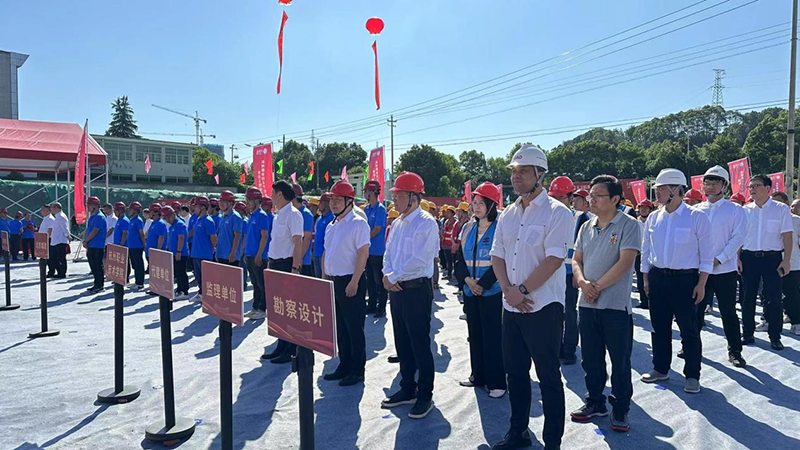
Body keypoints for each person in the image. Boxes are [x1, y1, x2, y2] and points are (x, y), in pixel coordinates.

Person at [489, 145, 572, 450]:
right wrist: (508, 291)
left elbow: (553, 260)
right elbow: (497, 254)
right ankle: (518, 433)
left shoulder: (558, 212)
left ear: (540, 174)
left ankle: (552, 442)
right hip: (511, 307)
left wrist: (521, 291)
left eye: (523, 171)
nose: (517, 176)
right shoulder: (508, 214)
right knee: (515, 374)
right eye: (514, 171)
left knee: (548, 376)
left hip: (543, 308)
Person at [570, 175, 640, 433]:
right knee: (590, 359)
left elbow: (625, 263)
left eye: (598, 196)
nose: (592, 200)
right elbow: (576, 259)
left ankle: (620, 408)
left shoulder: (629, 225)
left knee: (620, 361)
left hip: (615, 307)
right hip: (587, 305)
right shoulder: (586, 226)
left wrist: (595, 287)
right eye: (591, 195)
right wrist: (582, 282)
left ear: (615, 199)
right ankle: (595, 401)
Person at [640, 168, 712, 394]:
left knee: (689, 329)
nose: (657, 193)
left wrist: (701, 283)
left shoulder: (696, 217)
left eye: (661, 188)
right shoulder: (654, 217)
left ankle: (692, 375)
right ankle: (661, 368)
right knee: (659, 327)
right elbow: (646, 249)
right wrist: (646, 277)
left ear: (675, 189)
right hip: (658, 277)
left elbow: (706, 254)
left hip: (685, 280)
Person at [380, 171, 440, 420]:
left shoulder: (426, 223)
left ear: (414, 197)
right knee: (402, 342)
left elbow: (419, 260)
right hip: (397, 290)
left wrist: (393, 276)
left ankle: (424, 394)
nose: (394, 199)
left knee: (419, 343)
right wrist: (387, 274)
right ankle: (407, 388)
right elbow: (388, 253)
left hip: (416, 289)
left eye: (399, 195)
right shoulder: (398, 223)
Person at [694, 165, 748, 367]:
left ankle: (735, 351)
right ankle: (690, 346)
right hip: (700, 270)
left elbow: (738, 238)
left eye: (715, 182)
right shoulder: (696, 210)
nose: (710, 186)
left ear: (725, 186)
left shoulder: (735, 210)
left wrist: (720, 259)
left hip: (724, 270)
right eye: (707, 182)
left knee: (728, 312)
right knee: (696, 311)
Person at [459, 182, 507, 399]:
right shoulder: (468, 228)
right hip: (471, 291)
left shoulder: (500, 228)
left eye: (481, 203)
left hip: (492, 291)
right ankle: (477, 375)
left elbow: (502, 260)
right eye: (474, 202)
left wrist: (483, 284)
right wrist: (468, 281)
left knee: (492, 337)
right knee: (475, 335)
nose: (475, 207)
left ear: (492, 205)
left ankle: (496, 381)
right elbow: (459, 259)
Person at [321, 180, 371, 386]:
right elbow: (326, 253)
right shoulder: (332, 225)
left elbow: (363, 253)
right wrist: (324, 277)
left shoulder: (358, 223)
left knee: (354, 328)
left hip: (350, 281)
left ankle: (357, 370)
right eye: (332, 199)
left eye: (338, 199)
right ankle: (344, 364)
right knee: (340, 328)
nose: (333, 203)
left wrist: (355, 281)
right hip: (333, 281)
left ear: (349, 201)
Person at [738, 175, 793, 351]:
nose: (752, 189)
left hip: (772, 259)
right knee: (747, 298)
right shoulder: (745, 210)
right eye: (750, 186)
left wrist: (786, 260)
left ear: (768, 188)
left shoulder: (780, 209)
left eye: (756, 186)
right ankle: (747, 333)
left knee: (774, 298)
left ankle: (775, 336)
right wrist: (737, 258)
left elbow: (787, 236)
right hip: (749, 258)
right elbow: (739, 237)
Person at [262, 181, 305, 364]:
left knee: (289, 308)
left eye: (273, 193)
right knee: (278, 308)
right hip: (275, 264)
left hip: (286, 265)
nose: (271, 196)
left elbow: (298, 243)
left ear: (280, 194)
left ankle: (291, 349)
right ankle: (281, 344)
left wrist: (295, 269)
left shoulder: (294, 215)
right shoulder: (278, 215)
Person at [550, 176, 580, 366]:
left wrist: (578, 273)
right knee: (556, 313)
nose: (557, 201)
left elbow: (581, 249)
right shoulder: (549, 215)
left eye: (561, 197)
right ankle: (559, 346)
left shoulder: (578, 217)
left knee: (569, 313)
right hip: (552, 273)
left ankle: (569, 349)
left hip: (569, 274)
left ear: (570, 197)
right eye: (554, 197)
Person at [771, 192, 800, 336]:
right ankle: (769, 320)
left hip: (792, 264)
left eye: (779, 202)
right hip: (772, 263)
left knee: (791, 294)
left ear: (786, 203)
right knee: (770, 294)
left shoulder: (796, 221)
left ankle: (796, 322)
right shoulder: (770, 219)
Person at [244, 188, 272, 320]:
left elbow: (264, 236)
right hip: (250, 254)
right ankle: (255, 307)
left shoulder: (262, 215)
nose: (247, 202)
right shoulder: (252, 216)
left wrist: (259, 254)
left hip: (258, 256)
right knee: (255, 283)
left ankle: (262, 309)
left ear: (256, 201)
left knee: (262, 284)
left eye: (249, 200)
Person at [362, 180, 388, 317]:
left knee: (379, 280)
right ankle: (372, 304)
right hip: (368, 251)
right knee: (370, 280)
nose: (365, 194)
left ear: (372, 193)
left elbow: (377, 228)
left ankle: (381, 307)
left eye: (366, 191)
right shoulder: (366, 209)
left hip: (377, 250)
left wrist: (365, 239)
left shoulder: (380, 209)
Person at [190, 196, 218, 301]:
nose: (194, 208)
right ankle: (201, 293)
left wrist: (214, 250)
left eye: (196, 206)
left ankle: (207, 295)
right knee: (198, 276)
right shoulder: (199, 219)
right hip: (196, 253)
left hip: (204, 254)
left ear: (202, 207)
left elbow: (213, 237)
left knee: (206, 277)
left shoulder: (208, 221)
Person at [162, 206, 190, 300]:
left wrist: (179, 251)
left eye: (167, 218)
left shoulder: (179, 224)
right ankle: (179, 289)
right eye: (165, 218)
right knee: (177, 273)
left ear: (172, 215)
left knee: (181, 272)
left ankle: (184, 291)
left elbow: (181, 238)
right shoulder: (172, 226)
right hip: (173, 253)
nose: (167, 220)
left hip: (180, 253)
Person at [83, 196, 107, 293]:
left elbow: (95, 231)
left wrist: (86, 240)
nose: (87, 208)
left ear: (95, 206)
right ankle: (96, 283)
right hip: (92, 245)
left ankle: (100, 285)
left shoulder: (99, 217)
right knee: (93, 266)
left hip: (98, 245)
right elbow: (89, 230)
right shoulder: (93, 217)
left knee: (97, 265)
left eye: (89, 205)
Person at [633, 200, 654, 309]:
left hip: (652, 255)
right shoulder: (634, 223)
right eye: (642, 208)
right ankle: (644, 301)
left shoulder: (654, 221)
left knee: (652, 279)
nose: (644, 210)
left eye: (646, 208)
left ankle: (652, 301)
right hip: (638, 254)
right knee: (640, 278)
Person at [291, 184, 315, 276]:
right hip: (292, 259)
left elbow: (307, 238)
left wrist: (299, 258)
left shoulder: (306, 214)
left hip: (303, 261)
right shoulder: (292, 213)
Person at [215, 190, 243, 267]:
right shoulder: (222, 217)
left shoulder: (235, 217)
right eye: (220, 201)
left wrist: (233, 253)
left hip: (230, 257)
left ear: (231, 203)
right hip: (221, 254)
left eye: (223, 201)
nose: (220, 203)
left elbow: (237, 236)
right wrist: (217, 252)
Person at [145, 203, 168, 282]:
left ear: (155, 212)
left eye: (150, 211)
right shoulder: (153, 223)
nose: (149, 213)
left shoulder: (160, 223)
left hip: (156, 252)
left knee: (158, 272)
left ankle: (159, 285)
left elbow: (161, 237)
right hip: (151, 251)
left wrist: (157, 251)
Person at [313, 193, 334, 279]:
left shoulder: (332, 218)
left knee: (325, 280)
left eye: (321, 202)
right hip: (317, 254)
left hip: (325, 255)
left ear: (327, 204)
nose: (319, 205)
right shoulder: (319, 219)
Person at [126, 202, 146, 290]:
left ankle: (140, 283)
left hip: (137, 246)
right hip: (131, 246)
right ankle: (136, 282)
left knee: (138, 265)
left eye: (130, 209)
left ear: (135, 211)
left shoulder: (138, 220)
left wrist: (144, 244)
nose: (129, 211)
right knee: (134, 265)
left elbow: (141, 234)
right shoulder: (131, 220)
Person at [50, 202, 70, 278]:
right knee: (53, 257)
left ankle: (62, 273)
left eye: (52, 207)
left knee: (61, 257)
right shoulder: (57, 216)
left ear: (56, 208)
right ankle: (59, 271)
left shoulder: (61, 216)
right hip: (55, 240)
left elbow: (65, 228)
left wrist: (68, 236)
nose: (51, 209)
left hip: (60, 240)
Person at [234, 201, 249, 287]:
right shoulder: (237, 220)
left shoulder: (245, 221)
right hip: (237, 248)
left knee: (242, 267)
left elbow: (245, 237)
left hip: (242, 248)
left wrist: (242, 249)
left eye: (238, 210)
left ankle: (243, 284)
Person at [39, 205, 55, 276]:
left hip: (48, 239)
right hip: (43, 239)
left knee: (49, 257)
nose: (41, 211)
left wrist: (46, 239)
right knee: (45, 257)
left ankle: (51, 271)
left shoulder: (50, 219)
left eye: (43, 209)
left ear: (48, 210)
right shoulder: (45, 218)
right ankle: (49, 271)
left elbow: (50, 230)